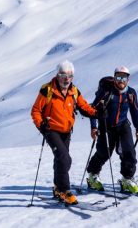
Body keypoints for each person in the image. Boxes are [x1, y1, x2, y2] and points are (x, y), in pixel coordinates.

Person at [31, 60, 97, 205]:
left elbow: (83, 106)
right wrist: (42, 125)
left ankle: (57, 187)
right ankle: (65, 190)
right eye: (63, 75)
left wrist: (96, 113)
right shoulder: (47, 90)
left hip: (66, 131)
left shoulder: (74, 91)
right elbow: (35, 110)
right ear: (57, 75)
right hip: (51, 130)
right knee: (64, 158)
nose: (66, 79)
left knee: (61, 160)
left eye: (70, 75)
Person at [85, 66, 138, 194]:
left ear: (128, 79)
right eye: (118, 77)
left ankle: (127, 179)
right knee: (104, 153)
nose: (120, 81)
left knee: (129, 152)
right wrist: (94, 127)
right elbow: (92, 110)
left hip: (123, 125)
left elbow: (135, 111)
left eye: (124, 77)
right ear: (114, 78)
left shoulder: (131, 93)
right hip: (105, 125)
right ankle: (92, 175)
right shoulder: (106, 91)